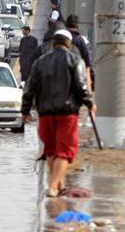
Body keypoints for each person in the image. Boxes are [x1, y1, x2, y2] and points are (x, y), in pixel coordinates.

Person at [22, 29, 94, 198]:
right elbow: (81, 86)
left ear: (53, 43)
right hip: (67, 114)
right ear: (69, 44)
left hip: (45, 113)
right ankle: (53, 187)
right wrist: (90, 104)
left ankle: (58, 184)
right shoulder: (76, 61)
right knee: (65, 150)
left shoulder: (40, 62)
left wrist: (25, 111)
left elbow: (29, 89)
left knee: (51, 150)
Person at [65, 15, 93, 91]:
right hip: (79, 76)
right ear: (77, 25)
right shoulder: (81, 40)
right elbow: (88, 61)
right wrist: (92, 78)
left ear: (66, 24)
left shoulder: (62, 38)